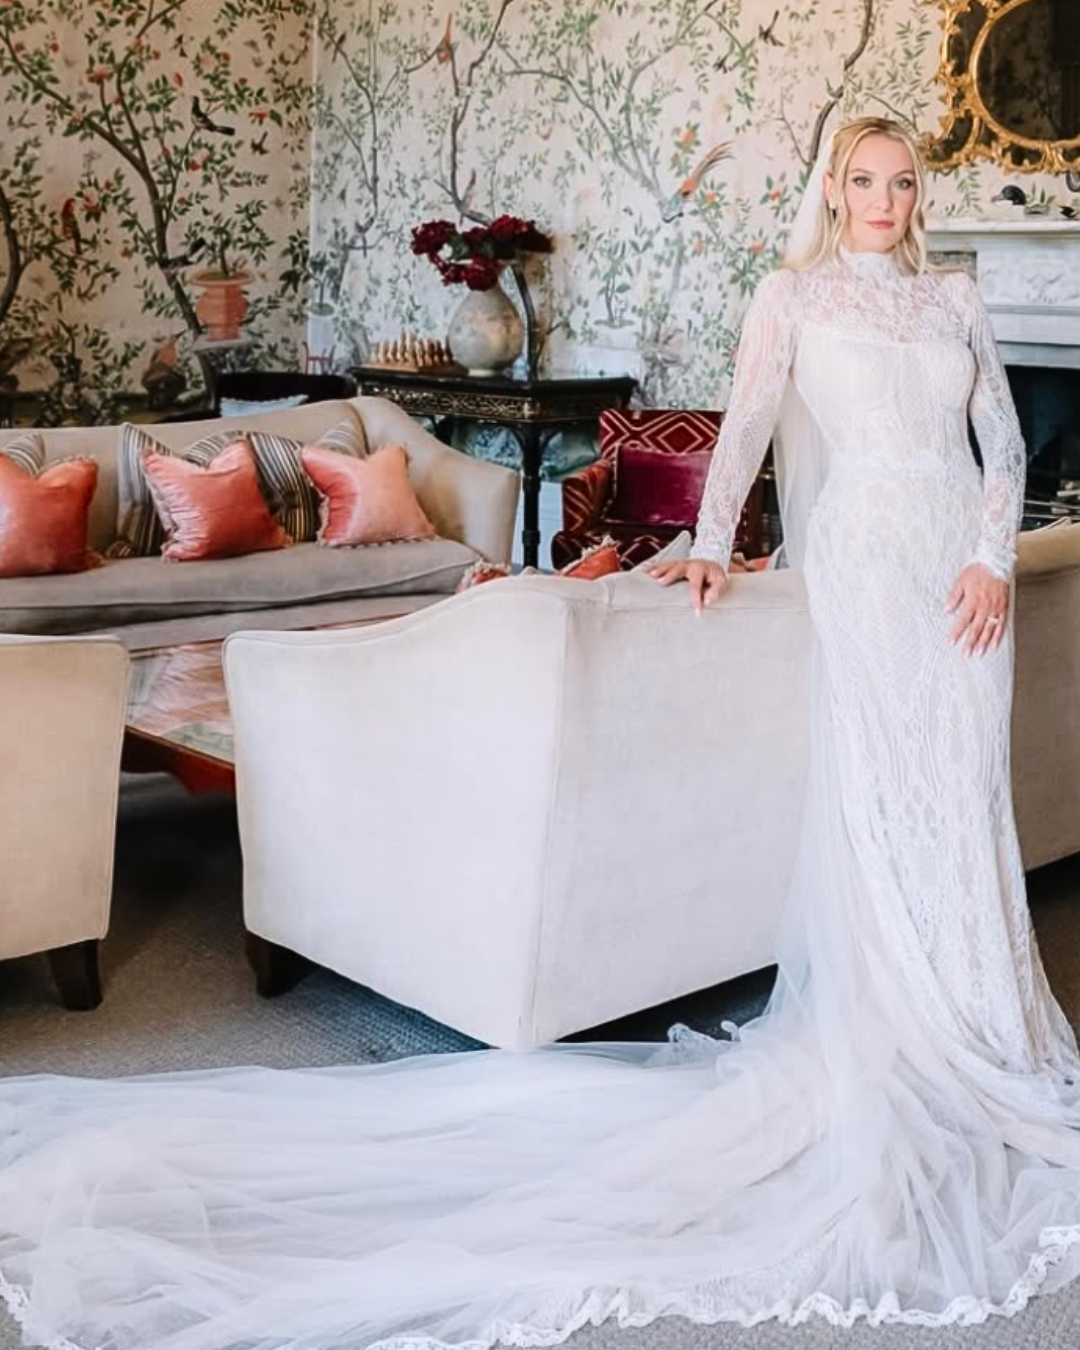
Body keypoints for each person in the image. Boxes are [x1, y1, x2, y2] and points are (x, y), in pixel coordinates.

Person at [2, 117, 1080, 1350]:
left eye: (903, 182)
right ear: (836, 190)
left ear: (918, 195)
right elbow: (743, 427)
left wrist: (994, 560)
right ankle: (913, 1035)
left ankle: (989, 1024)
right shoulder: (794, 294)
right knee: (887, 798)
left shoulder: (955, 299)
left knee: (962, 795)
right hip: (867, 566)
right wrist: (710, 547)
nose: (885, 199)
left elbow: (1006, 443)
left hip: (959, 573)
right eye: (865, 180)